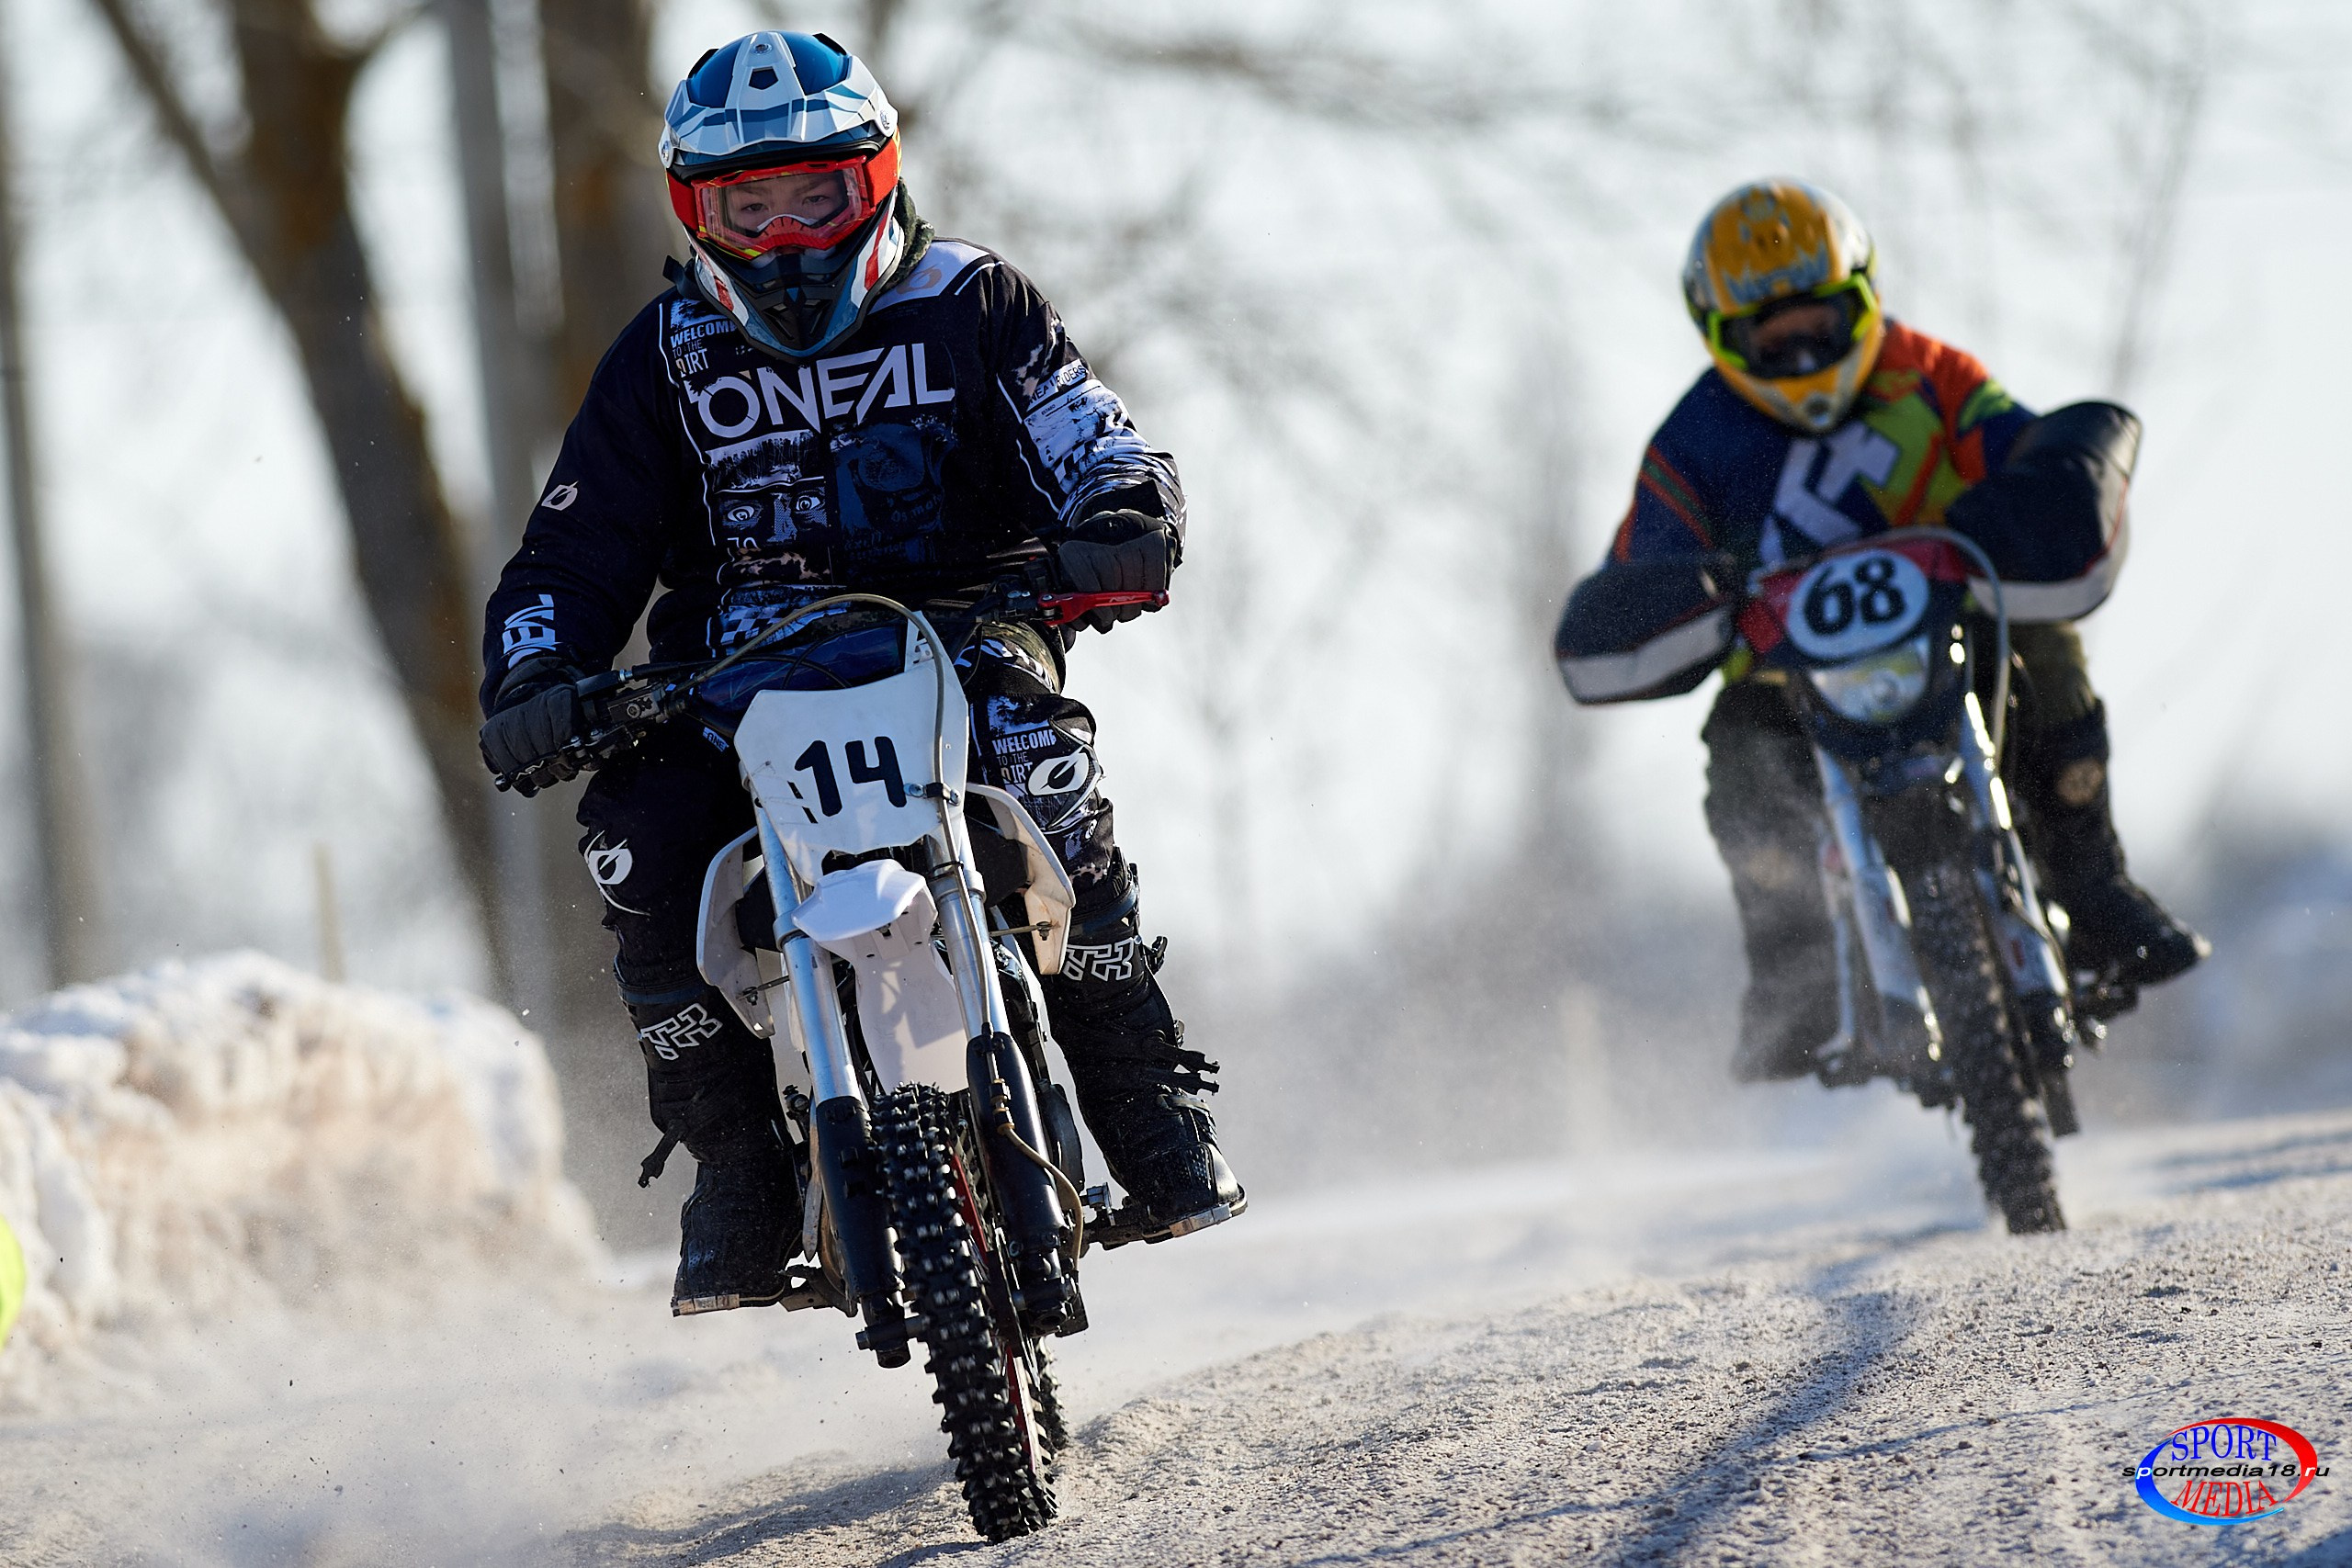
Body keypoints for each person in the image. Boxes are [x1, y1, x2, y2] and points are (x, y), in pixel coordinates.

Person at [476, 30, 1241, 1314]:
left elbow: (1092, 434)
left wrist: (1121, 518)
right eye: (751, 209)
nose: (786, 239)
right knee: (635, 843)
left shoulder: (974, 302)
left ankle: (1142, 1101)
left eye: (815, 198)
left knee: (1049, 771)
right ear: (697, 212)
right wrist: (538, 670)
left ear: (875, 181)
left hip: (961, 629)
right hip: (730, 673)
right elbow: (572, 549)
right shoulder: (660, 358)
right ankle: (736, 1168)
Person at [1555, 179, 2205, 1083]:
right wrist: (1690, 592)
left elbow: (2024, 455)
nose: (1799, 352)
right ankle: (1794, 975)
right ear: (1720, 338)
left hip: (1955, 634)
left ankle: (2092, 881)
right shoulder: (1691, 442)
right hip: (1789, 682)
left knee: (2047, 646)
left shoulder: (1933, 376)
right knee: (1740, 760)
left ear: (1861, 299)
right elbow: (1644, 561)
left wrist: (2035, 495)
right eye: (1770, 340)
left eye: (1818, 323)